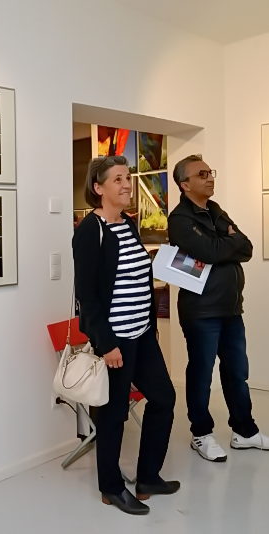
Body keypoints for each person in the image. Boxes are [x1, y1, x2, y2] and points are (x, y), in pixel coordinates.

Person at [72, 155, 179, 515]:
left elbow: (137, 277)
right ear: (98, 187)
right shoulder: (91, 231)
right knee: (113, 414)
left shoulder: (129, 224)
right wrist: (106, 344)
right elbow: (87, 295)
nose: (126, 185)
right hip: (116, 340)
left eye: (128, 178)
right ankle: (111, 488)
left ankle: (147, 478)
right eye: (117, 179)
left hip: (142, 333)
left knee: (163, 398)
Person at [167, 154, 269, 463]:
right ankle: (201, 434)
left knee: (237, 373)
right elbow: (212, 251)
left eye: (210, 172)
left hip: (231, 308)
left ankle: (245, 432)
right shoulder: (180, 219)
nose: (209, 178)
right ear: (185, 184)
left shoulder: (216, 210)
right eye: (201, 174)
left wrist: (224, 245)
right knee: (201, 374)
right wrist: (225, 242)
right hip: (201, 311)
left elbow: (246, 247)